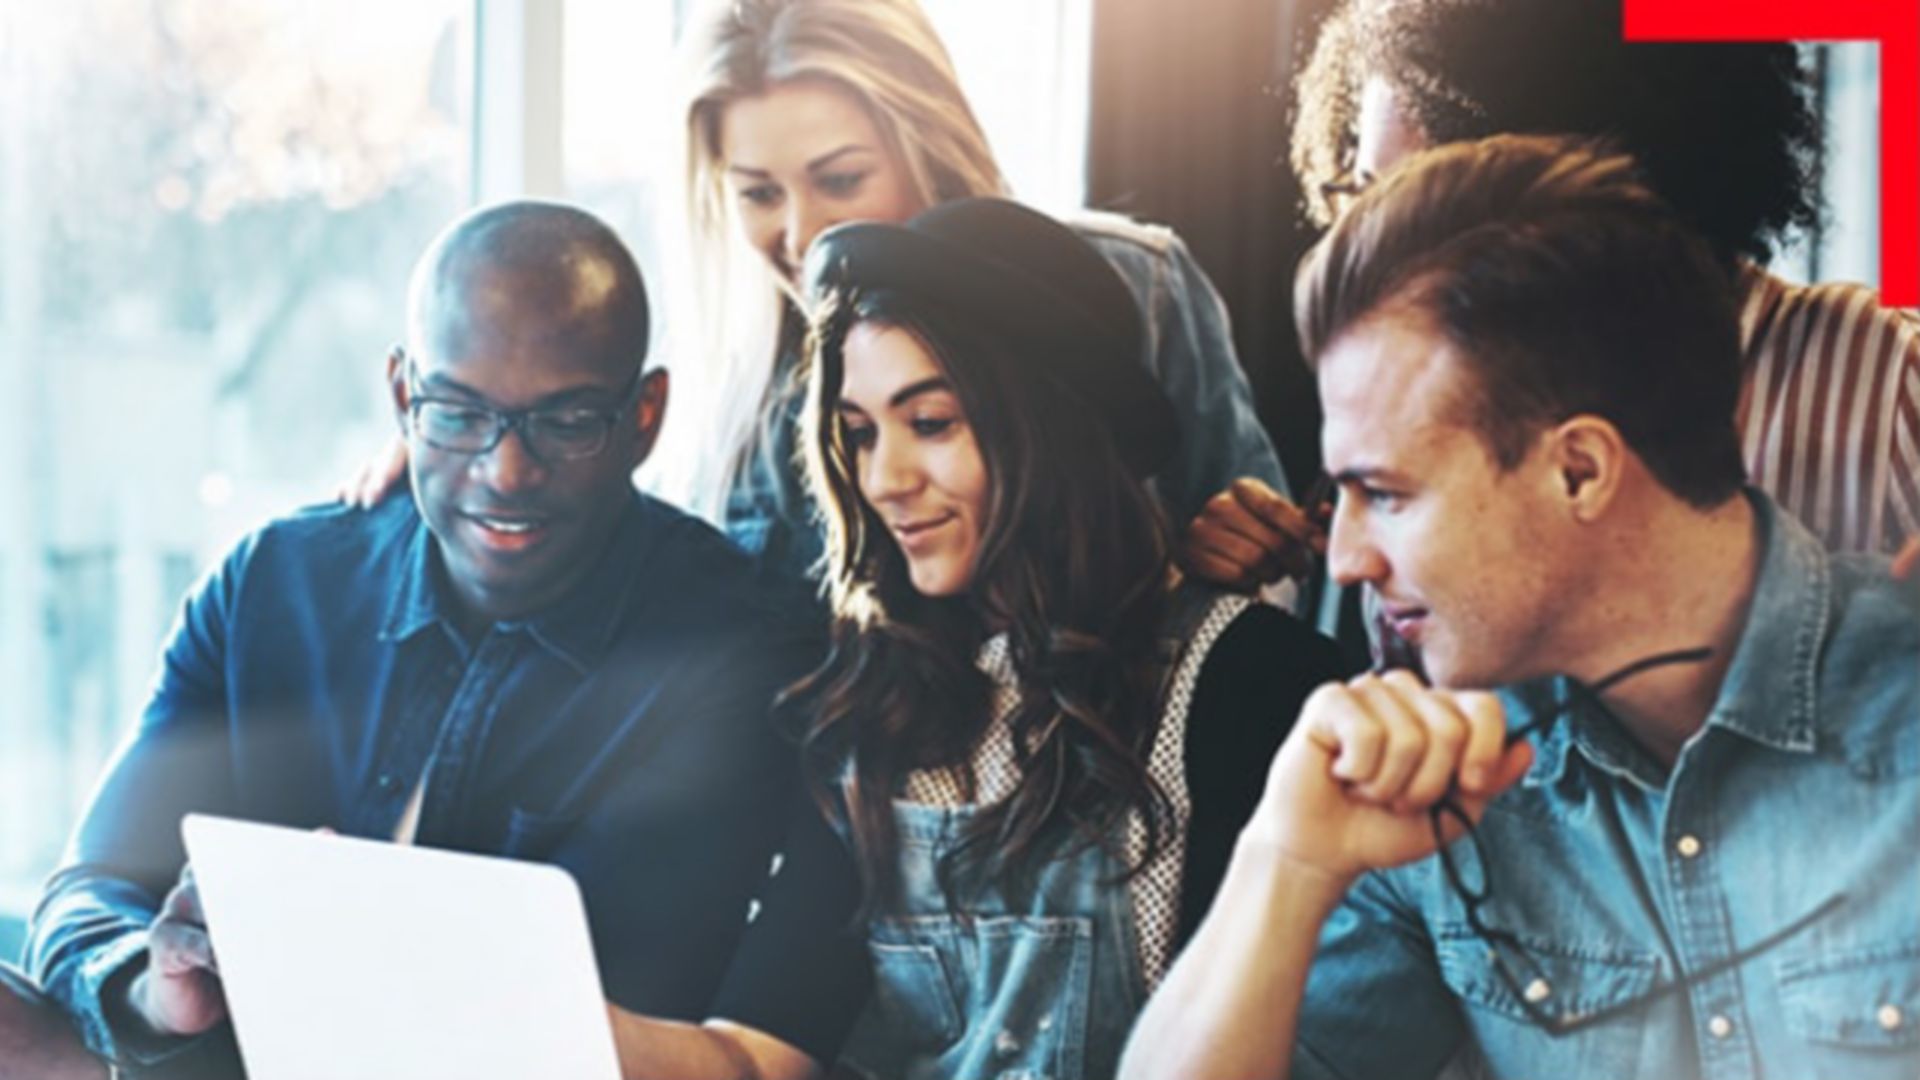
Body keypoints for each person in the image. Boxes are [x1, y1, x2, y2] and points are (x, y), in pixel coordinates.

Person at [1120, 135, 1920, 1080]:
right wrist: (1285, 862)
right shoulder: (1444, 780)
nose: (1343, 558)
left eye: (1389, 494)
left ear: (1578, 469)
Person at [5, 201, 818, 1080]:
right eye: (458, 414)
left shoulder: (729, 649)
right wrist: (156, 987)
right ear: (402, 395)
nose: (506, 472)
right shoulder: (275, 583)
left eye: (567, 421)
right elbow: (86, 894)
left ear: (646, 415)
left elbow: (598, 1023)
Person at [595, 198, 1346, 1079]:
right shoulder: (873, 705)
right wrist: (556, 1014)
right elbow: (757, 1057)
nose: (885, 479)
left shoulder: (1254, 685)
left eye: (932, 424)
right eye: (860, 434)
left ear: (1052, 425)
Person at [342, 0, 1317, 599]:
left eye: (841, 179)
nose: (800, 235)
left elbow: (1277, 566)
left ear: (928, 143)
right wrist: (467, 439)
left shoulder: (1135, 287)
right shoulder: (727, 393)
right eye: (758, 193)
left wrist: (1234, 548)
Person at [1193, 0, 1920, 607]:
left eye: (1426, 209)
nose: (1380, 256)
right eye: (1364, 196)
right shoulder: (1424, 424)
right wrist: (1238, 598)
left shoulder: (1890, 392)